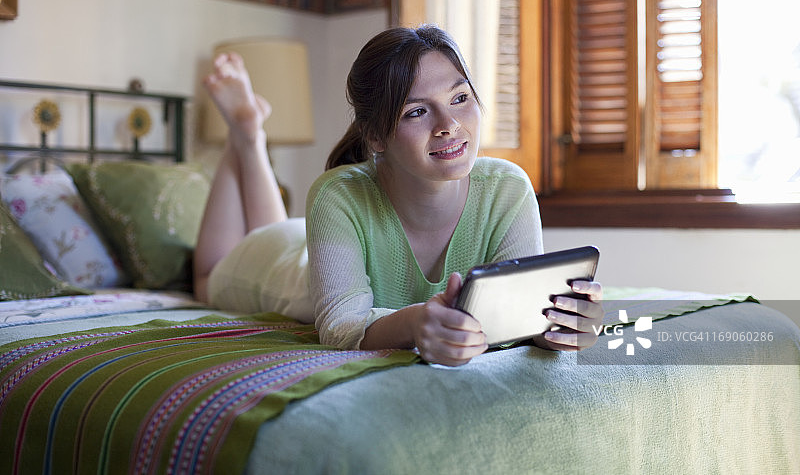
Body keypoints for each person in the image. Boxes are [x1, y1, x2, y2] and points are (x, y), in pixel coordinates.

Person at [194, 25, 603, 367]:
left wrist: (559, 328)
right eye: (417, 112)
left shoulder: (507, 188)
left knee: (280, 227)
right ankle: (246, 137)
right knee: (206, 278)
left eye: (460, 99)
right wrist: (414, 323)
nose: (449, 125)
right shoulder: (338, 193)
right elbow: (341, 329)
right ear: (375, 136)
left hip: (313, 241)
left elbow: (520, 317)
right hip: (275, 266)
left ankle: (247, 135)